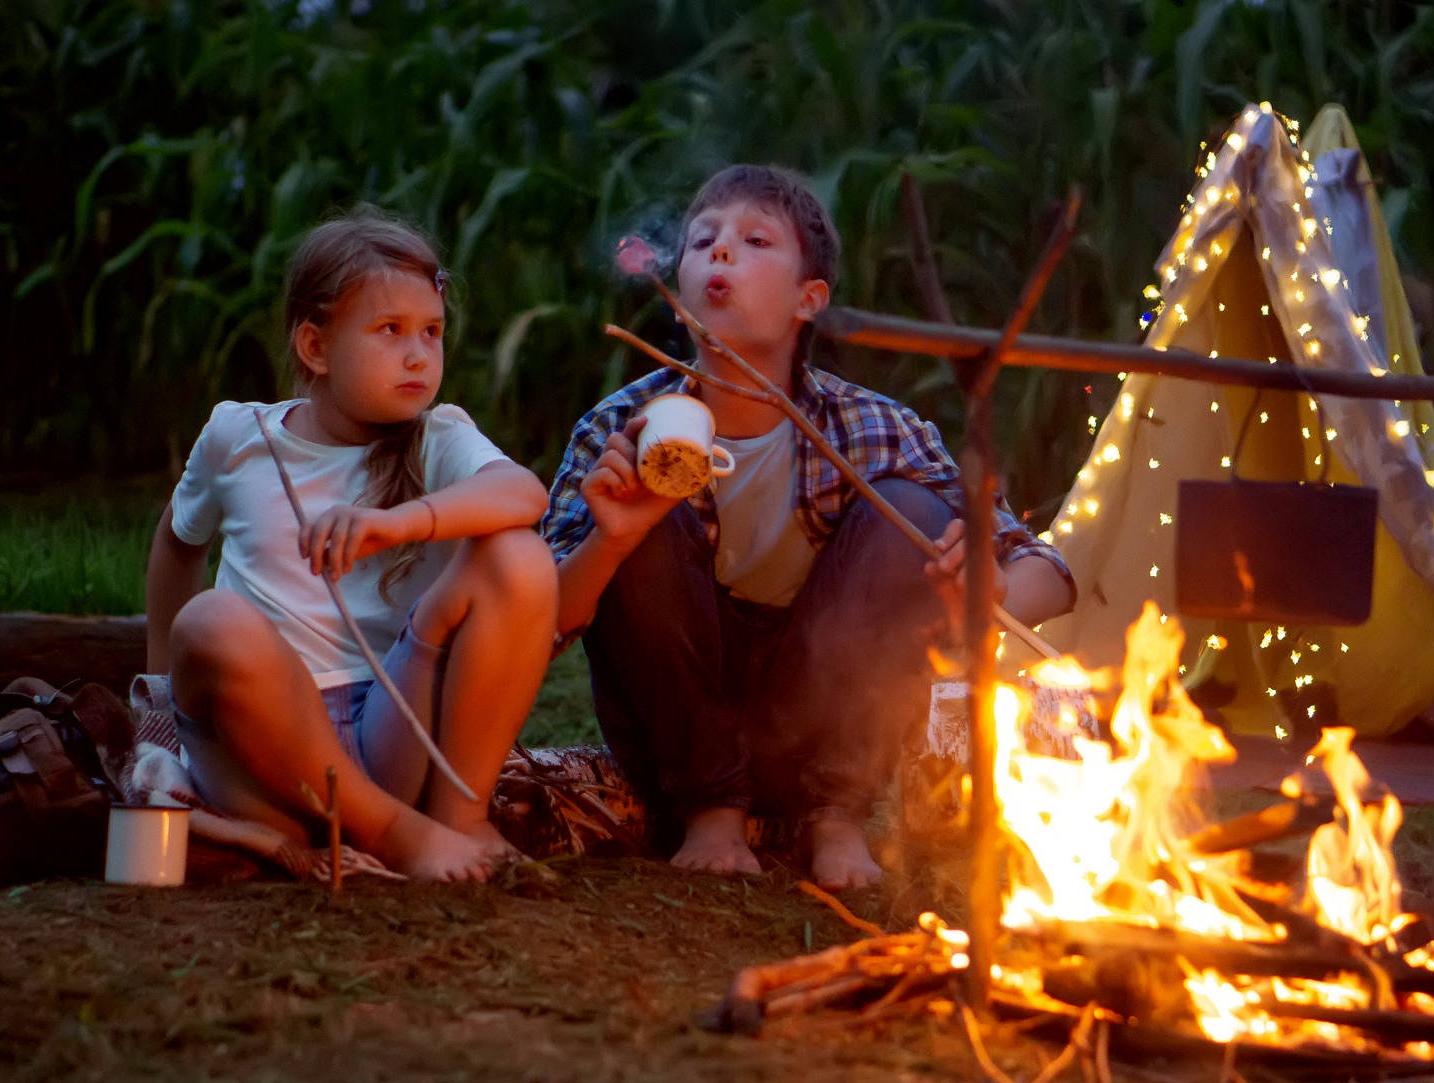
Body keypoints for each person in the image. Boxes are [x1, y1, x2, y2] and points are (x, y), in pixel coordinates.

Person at [543, 165, 1074, 890]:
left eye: (754, 239)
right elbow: (546, 622)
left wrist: (987, 584)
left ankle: (837, 818)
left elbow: (1050, 573)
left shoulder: (874, 428)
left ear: (808, 300)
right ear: (680, 296)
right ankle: (713, 815)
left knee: (914, 509)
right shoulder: (615, 426)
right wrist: (612, 537)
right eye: (702, 240)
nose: (720, 251)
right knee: (641, 524)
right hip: (671, 739)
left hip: (815, 730)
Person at [147, 206, 556, 882]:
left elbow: (524, 494)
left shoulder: (437, 439)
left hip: (390, 732)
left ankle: (459, 819)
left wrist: (401, 521)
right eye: (390, 331)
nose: (419, 354)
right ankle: (400, 837)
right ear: (314, 347)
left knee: (518, 555)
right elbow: (176, 542)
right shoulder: (237, 437)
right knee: (212, 619)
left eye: (432, 331)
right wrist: (162, 686)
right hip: (264, 759)